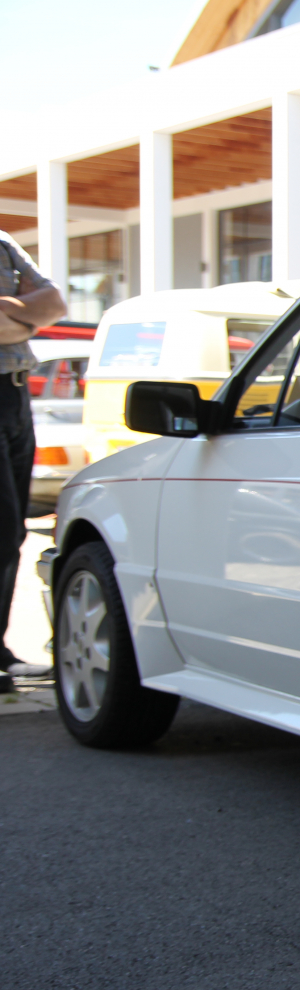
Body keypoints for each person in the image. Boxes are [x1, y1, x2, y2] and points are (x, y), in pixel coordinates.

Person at [0, 232, 66, 689]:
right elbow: (36, 312)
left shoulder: (2, 242)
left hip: (16, 395)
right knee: (1, 526)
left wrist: (15, 314)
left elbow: (55, 304)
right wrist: (26, 314)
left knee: (12, 532)